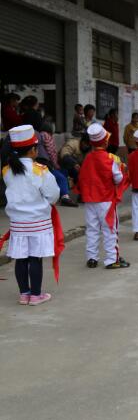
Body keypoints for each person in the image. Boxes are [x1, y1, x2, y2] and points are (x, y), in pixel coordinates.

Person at [2, 125, 61, 305]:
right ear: (33, 149)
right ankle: (36, 295)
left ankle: (24, 294)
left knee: (21, 259)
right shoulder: (40, 170)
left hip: (18, 223)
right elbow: (53, 195)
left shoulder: (6, 171)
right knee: (35, 258)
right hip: (38, 222)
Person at [80, 124, 130, 269]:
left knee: (92, 229)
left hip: (90, 200)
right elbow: (118, 179)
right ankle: (111, 259)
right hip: (106, 199)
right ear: (105, 141)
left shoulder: (88, 158)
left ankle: (92, 258)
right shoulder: (111, 158)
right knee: (110, 229)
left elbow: (83, 178)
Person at [38, 121, 77, 207]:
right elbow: (51, 152)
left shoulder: (39, 135)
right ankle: (65, 197)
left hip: (40, 164)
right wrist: (55, 165)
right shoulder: (46, 136)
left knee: (62, 173)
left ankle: (63, 194)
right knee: (62, 177)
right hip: (45, 164)